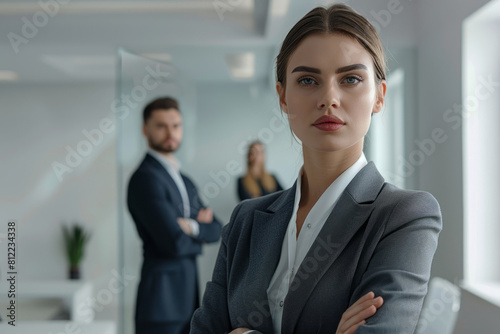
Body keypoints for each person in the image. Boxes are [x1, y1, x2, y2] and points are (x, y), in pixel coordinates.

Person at [191, 4, 442, 334]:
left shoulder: (404, 216)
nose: (329, 98)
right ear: (283, 97)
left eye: (350, 78)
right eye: (308, 80)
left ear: (380, 96)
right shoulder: (245, 221)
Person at [127, 97, 222, 334]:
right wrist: (197, 231)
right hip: (160, 304)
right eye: (161, 126)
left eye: (176, 126)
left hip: (187, 300)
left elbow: (217, 229)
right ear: (145, 129)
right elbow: (173, 244)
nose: (170, 132)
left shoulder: (184, 180)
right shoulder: (146, 178)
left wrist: (191, 227)